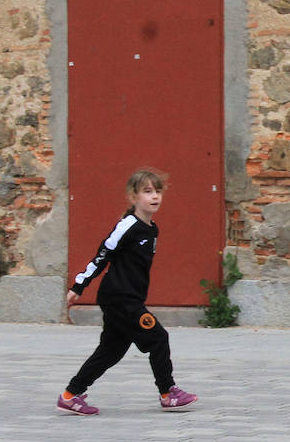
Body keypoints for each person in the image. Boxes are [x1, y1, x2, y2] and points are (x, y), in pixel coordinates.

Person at [57, 168, 198, 416]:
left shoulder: (151, 229)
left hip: (127, 298)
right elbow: (102, 254)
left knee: (110, 352)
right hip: (120, 299)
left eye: (157, 191)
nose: (154, 196)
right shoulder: (127, 226)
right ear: (133, 197)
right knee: (158, 337)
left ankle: (71, 395)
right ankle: (168, 393)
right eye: (147, 192)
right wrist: (79, 286)